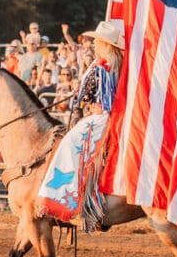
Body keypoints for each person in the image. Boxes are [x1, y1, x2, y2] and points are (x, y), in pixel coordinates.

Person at [35, 21, 123, 226]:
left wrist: (81, 95)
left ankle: (58, 198)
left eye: (96, 41)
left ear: (104, 44)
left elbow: (84, 94)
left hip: (99, 117)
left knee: (69, 144)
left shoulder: (100, 66)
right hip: (107, 115)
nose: (93, 44)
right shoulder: (115, 64)